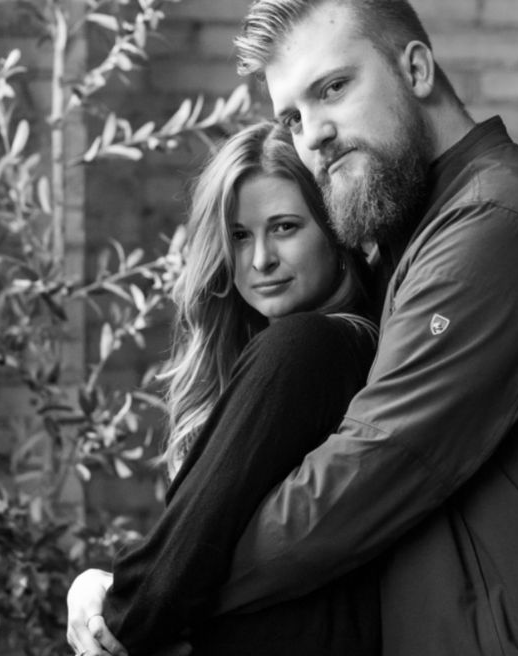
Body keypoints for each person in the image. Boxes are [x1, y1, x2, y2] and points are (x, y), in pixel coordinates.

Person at [70, 0, 518, 656]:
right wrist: (143, 578)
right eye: (292, 117)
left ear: (416, 69)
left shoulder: (499, 225)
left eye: (334, 88)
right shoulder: (409, 243)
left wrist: (148, 593)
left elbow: (362, 476)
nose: (314, 135)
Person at [66, 121, 381, 656]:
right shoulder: (336, 346)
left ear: (336, 230)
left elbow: (177, 565)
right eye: (238, 235)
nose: (260, 260)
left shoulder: (308, 346)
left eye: (285, 227)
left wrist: (108, 604)